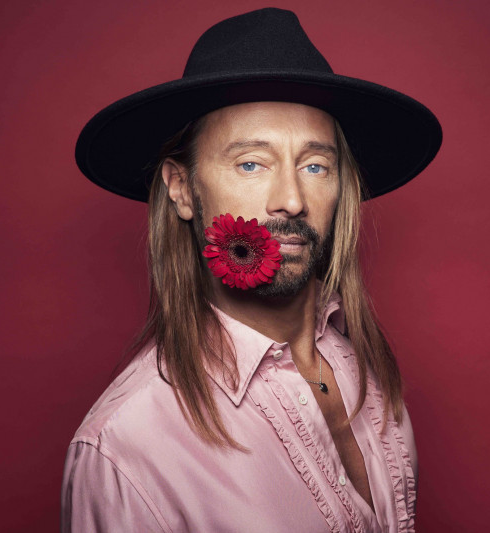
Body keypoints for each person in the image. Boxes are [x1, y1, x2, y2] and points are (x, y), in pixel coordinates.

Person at [62, 8, 441, 532]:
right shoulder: (126, 448)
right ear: (181, 189)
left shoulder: (364, 373)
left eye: (315, 165)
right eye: (250, 163)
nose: (292, 200)